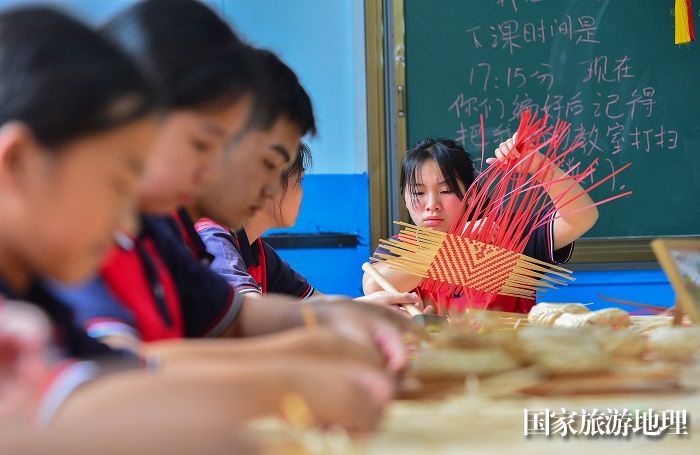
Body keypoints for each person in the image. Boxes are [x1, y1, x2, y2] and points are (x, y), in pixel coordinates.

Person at [362, 137, 599, 313]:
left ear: (472, 195)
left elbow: (582, 217)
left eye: (446, 191)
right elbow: (374, 285)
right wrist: (453, 247)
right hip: (432, 370)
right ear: (405, 196)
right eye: (418, 193)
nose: (431, 204)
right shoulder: (401, 248)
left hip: (508, 370)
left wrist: (541, 167)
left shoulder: (506, 236)